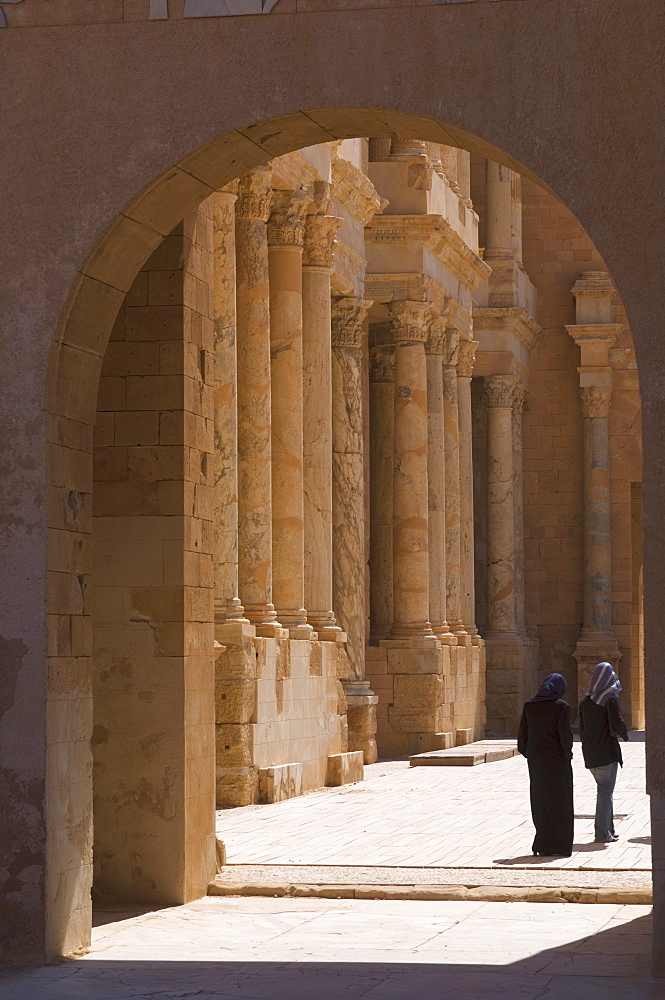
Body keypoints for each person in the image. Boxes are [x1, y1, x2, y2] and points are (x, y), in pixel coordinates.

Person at [518, 673, 574, 857]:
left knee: (541, 802)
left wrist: (533, 756)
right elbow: (565, 737)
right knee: (560, 802)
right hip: (557, 762)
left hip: (537, 763)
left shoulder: (529, 706)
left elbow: (522, 740)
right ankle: (559, 845)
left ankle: (542, 843)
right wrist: (566, 756)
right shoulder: (561, 707)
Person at [579, 661, 629, 843]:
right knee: (605, 791)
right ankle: (601, 833)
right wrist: (625, 735)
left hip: (591, 752)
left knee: (605, 791)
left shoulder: (586, 702)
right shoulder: (610, 699)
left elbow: (582, 730)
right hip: (606, 751)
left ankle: (609, 829)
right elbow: (617, 722)